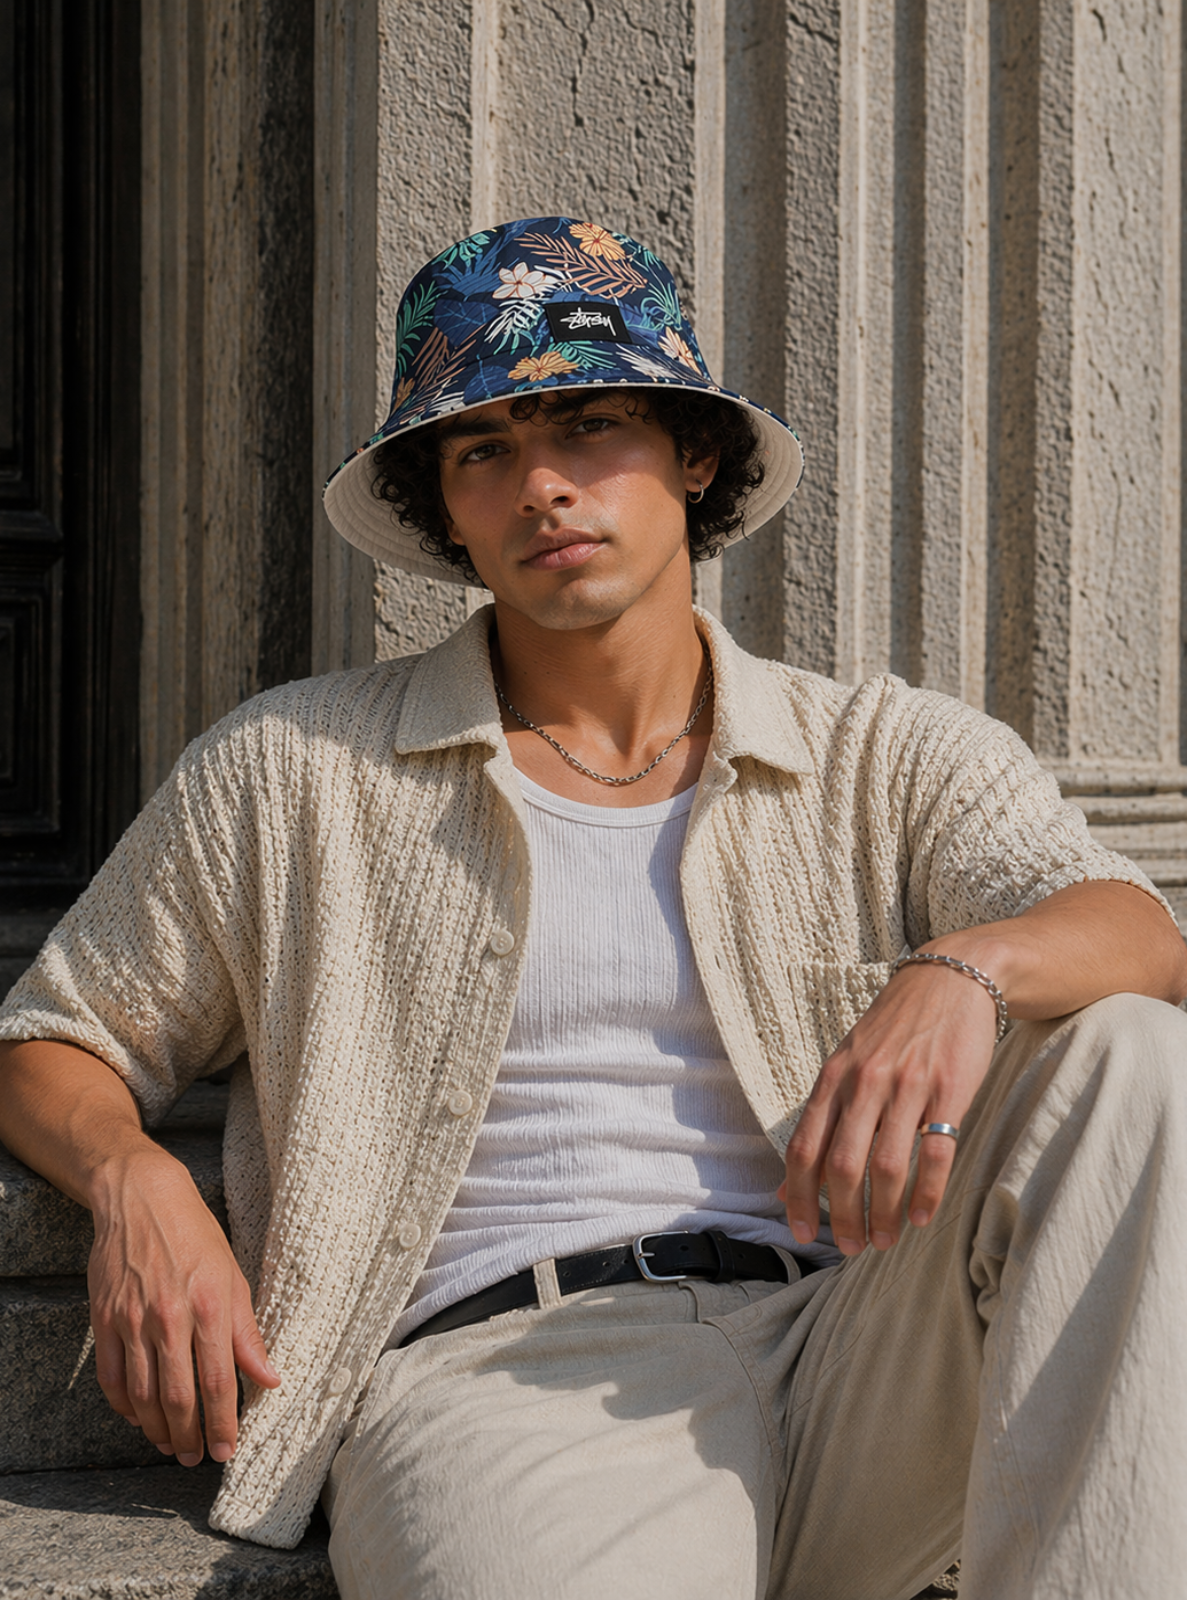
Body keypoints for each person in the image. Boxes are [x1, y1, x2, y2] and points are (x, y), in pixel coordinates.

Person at [1, 216, 1186, 1600]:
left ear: (694, 454)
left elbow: (1138, 935)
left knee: (1127, 1058)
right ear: (444, 507)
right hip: (517, 1392)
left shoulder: (878, 749)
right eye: (485, 450)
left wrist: (963, 968)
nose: (542, 488)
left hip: (855, 1345)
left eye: (587, 425)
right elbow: (55, 1035)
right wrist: (135, 1182)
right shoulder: (296, 772)